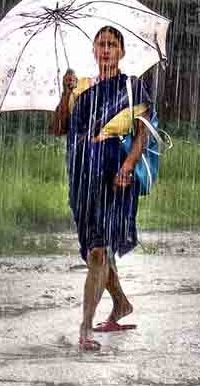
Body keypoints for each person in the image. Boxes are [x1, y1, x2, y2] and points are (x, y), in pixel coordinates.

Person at [51, 25, 150, 351]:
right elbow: (58, 128)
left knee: (98, 251)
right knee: (97, 248)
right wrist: (66, 93)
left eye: (112, 44)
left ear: (121, 51)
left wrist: (127, 167)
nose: (106, 50)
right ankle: (120, 303)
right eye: (101, 45)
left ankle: (85, 329)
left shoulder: (133, 88)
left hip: (114, 177)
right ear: (94, 51)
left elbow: (141, 135)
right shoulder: (80, 87)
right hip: (82, 177)